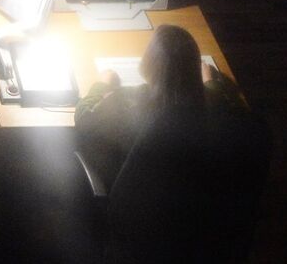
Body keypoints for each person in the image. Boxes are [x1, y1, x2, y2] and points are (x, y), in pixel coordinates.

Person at [74, 22, 246, 170]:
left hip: (130, 186)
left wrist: (102, 85)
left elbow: (83, 118)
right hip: (184, 190)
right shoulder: (210, 105)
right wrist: (210, 82)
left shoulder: (129, 101)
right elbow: (219, 104)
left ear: (148, 64)